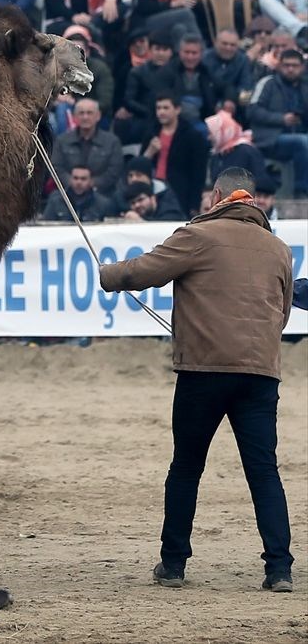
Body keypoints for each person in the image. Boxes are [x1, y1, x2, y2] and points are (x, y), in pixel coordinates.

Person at [99, 168, 294, 594]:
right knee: (264, 472)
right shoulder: (278, 248)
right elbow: (282, 314)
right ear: (252, 201)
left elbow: (143, 271)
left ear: (217, 196)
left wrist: (108, 274)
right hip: (260, 374)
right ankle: (279, 568)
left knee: (186, 467)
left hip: (203, 372)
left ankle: (173, 564)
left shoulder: (197, 236)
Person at [248, 48, 308, 198]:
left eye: (295, 66)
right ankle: (301, 192)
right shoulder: (267, 83)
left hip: (298, 137)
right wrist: (281, 119)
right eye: (286, 65)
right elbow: (252, 111)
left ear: (302, 67)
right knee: (302, 142)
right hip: (269, 139)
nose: (290, 69)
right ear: (279, 66)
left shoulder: (305, 88)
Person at [142, 92, 209, 218]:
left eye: (165, 108)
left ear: (177, 109)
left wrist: (194, 205)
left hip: (179, 192)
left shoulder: (192, 136)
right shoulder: (151, 132)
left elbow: (198, 174)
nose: (161, 112)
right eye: (158, 108)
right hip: (154, 189)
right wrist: (149, 152)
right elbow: (140, 165)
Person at [50, 97, 124, 192]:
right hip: (67, 192)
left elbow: (115, 170)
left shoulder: (112, 142)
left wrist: (92, 183)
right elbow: (56, 166)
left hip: (102, 194)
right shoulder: (62, 140)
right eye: (81, 113)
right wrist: (73, 183)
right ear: (74, 116)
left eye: (89, 113)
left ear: (98, 116)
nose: (85, 117)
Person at [41, 164, 114, 221]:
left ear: (90, 181)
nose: (79, 182)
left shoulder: (103, 203)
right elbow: (46, 224)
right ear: (70, 179)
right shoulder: (56, 200)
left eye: (83, 179)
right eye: (75, 178)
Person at [121, 180, 188, 221]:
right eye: (133, 203)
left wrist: (140, 221)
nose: (137, 205)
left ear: (153, 198)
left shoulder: (170, 211)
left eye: (140, 200)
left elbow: (164, 228)